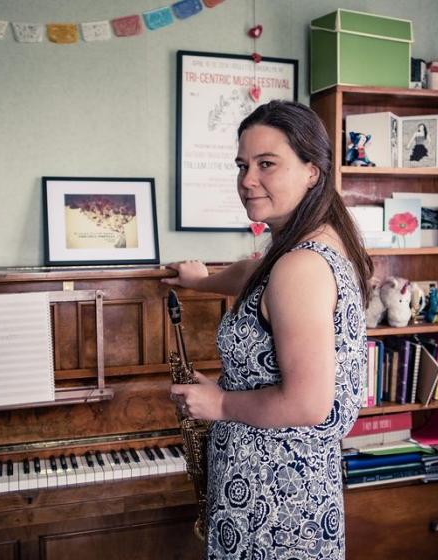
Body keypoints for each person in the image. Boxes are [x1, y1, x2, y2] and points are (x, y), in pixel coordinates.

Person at [163, 100, 373, 559]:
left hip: (272, 502)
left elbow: (306, 402)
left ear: (312, 171)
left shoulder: (299, 266)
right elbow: (253, 273)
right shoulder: (315, 241)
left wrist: (218, 402)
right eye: (242, 165)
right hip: (291, 490)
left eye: (266, 165)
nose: (247, 180)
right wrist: (203, 281)